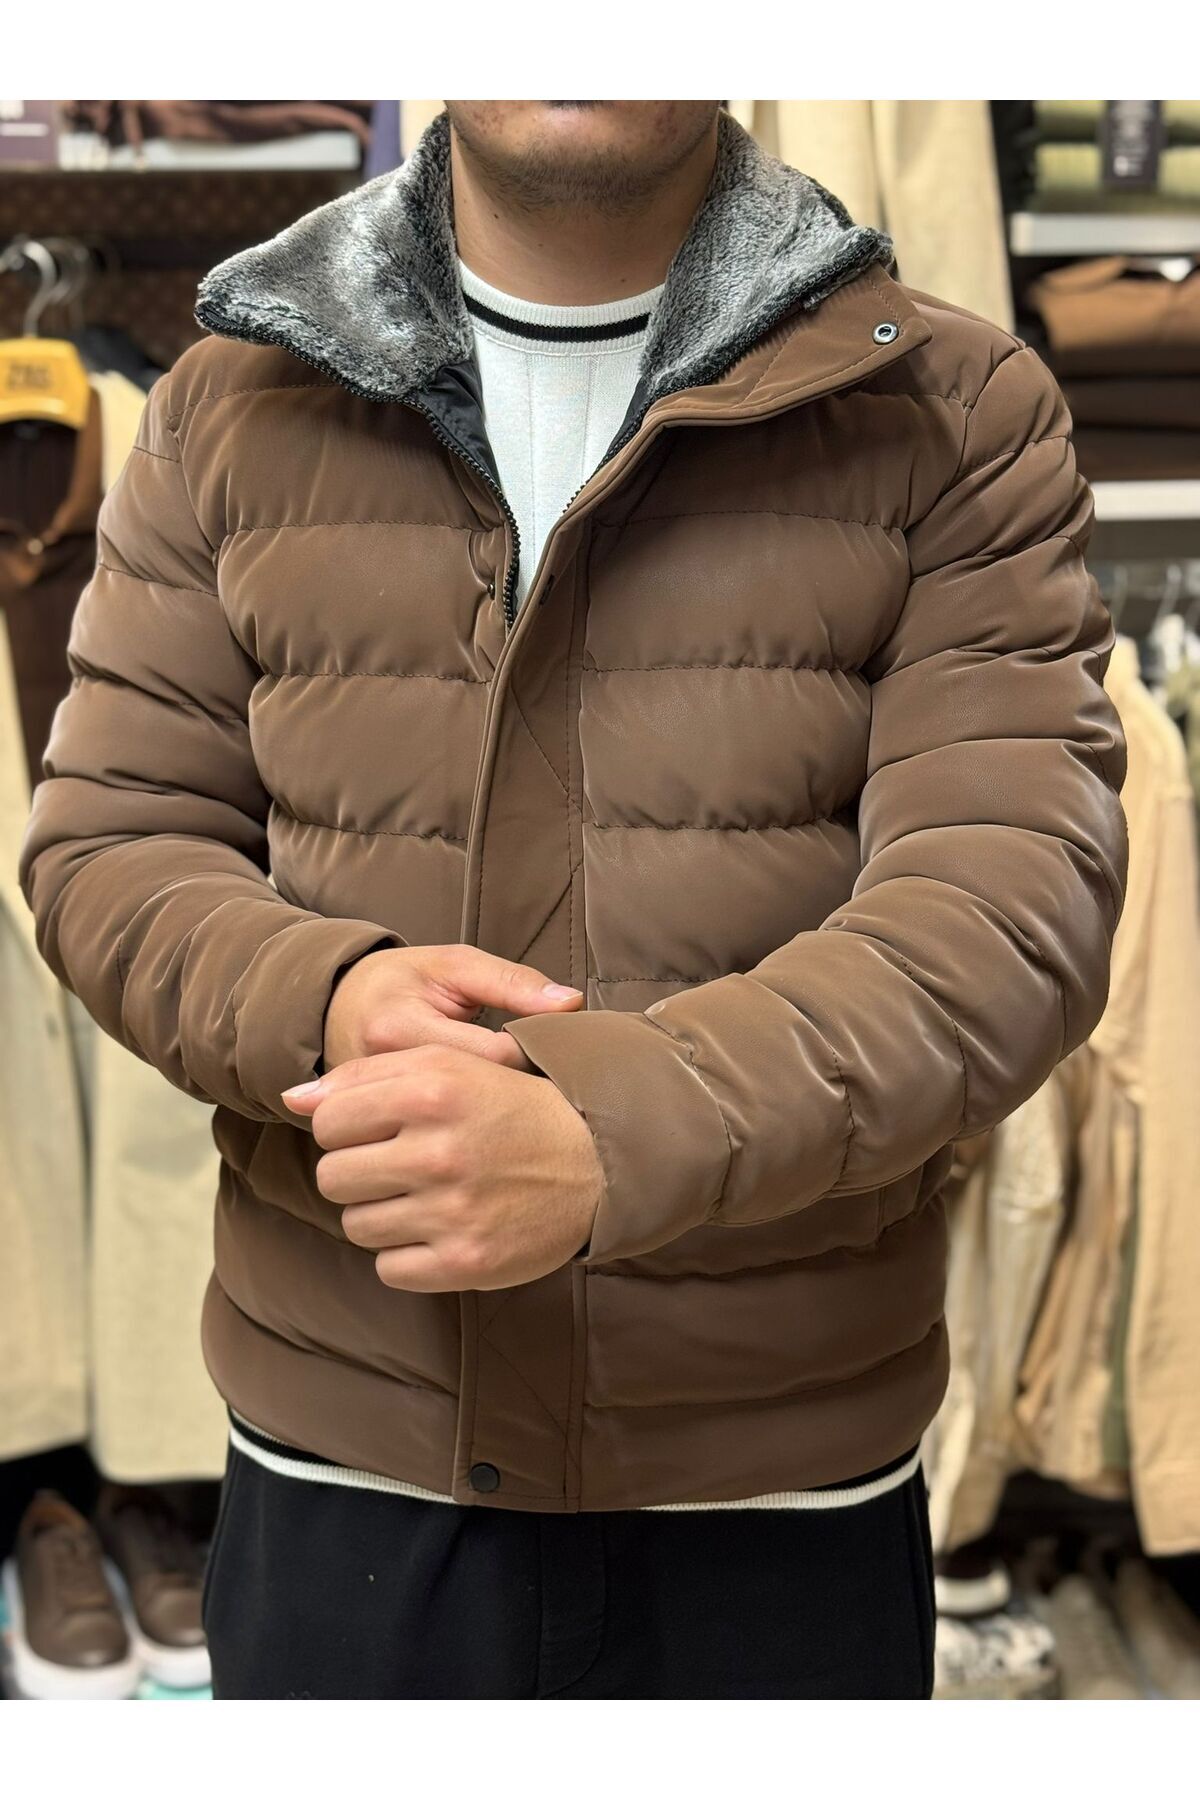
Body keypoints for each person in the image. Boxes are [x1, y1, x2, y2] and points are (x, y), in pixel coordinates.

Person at [20, 101, 1127, 1699]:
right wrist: (326, 999)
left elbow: (1010, 910)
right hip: (349, 1465)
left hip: (774, 1485)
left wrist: (615, 1130)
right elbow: (112, 845)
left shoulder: (953, 408)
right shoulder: (230, 400)